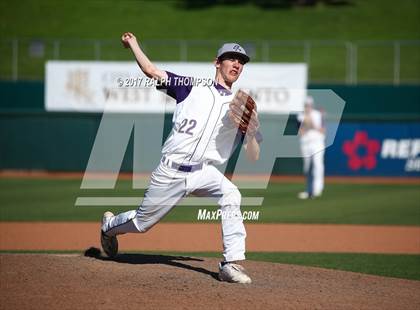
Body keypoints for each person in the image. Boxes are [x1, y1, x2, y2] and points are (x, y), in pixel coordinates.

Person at [100, 32, 262, 284]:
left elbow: (254, 156)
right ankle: (109, 226)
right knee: (142, 223)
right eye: (231, 58)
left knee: (232, 194)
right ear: (217, 62)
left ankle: (231, 263)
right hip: (171, 170)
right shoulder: (191, 86)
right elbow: (152, 71)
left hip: (203, 172)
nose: (237, 64)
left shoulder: (240, 105)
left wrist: (250, 133)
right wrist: (133, 44)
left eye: (241, 61)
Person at [297, 96, 326, 199]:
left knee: (318, 165)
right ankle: (309, 189)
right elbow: (300, 132)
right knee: (307, 167)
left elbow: (323, 130)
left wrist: (312, 125)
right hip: (306, 143)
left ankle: (317, 189)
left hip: (317, 143)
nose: (307, 107)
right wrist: (306, 125)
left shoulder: (318, 115)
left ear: (312, 105)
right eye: (306, 105)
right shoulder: (300, 116)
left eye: (308, 105)